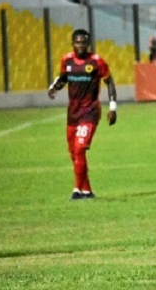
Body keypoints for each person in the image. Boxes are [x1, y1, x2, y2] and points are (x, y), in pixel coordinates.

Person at [48, 28, 117, 200]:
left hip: (90, 112)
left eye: (84, 42)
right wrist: (54, 88)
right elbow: (63, 77)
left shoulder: (96, 61)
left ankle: (76, 190)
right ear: (72, 43)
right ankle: (87, 191)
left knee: (79, 149)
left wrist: (113, 107)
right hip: (73, 113)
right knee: (74, 153)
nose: (81, 45)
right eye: (77, 42)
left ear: (88, 44)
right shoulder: (67, 60)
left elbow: (109, 82)